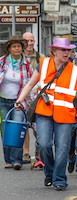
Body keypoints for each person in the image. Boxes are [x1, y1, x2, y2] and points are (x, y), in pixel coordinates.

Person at [15, 38, 77, 190]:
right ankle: (50, 172)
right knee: (43, 145)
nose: (67, 52)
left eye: (69, 50)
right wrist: (20, 100)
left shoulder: (75, 70)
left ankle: (60, 179)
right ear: (54, 51)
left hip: (65, 114)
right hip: (44, 112)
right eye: (63, 50)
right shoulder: (43, 65)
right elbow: (30, 84)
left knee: (62, 148)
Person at [0, 35, 33, 170]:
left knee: (18, 129)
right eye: (14, 46)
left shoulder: (26, 64)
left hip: (19, 102)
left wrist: (30, 100)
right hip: (2, 101)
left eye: (19, 46)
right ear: (9, 49)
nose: (17, 48)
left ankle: (17, 160)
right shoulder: (2, 62)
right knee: (5, 130)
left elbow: (31, 83)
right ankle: (8, 159)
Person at [22, 32, 45, 164]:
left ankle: (38, 149)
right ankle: (26, 152)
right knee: (25, 125)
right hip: (24, 96)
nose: (30, 43)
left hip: (37, 96)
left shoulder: (40, 57)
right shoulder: (19, 57)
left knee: (38, 126)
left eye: (32, 40)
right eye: (27, 41)